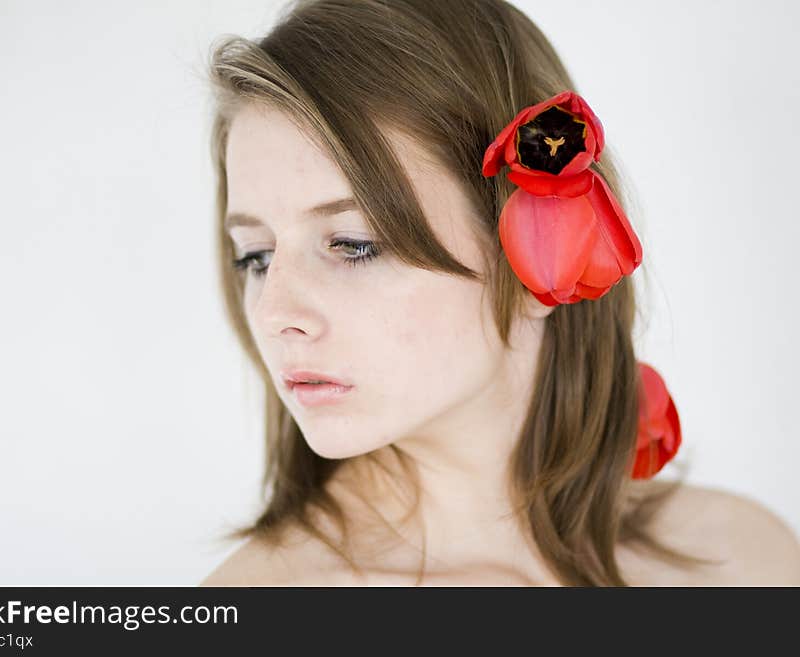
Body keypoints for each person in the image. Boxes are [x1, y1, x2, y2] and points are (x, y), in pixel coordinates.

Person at [200, 0, 800, 586]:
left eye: (353, 244)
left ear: (541, 254)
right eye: (256, 256)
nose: (275, 313)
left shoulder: (746, 558)